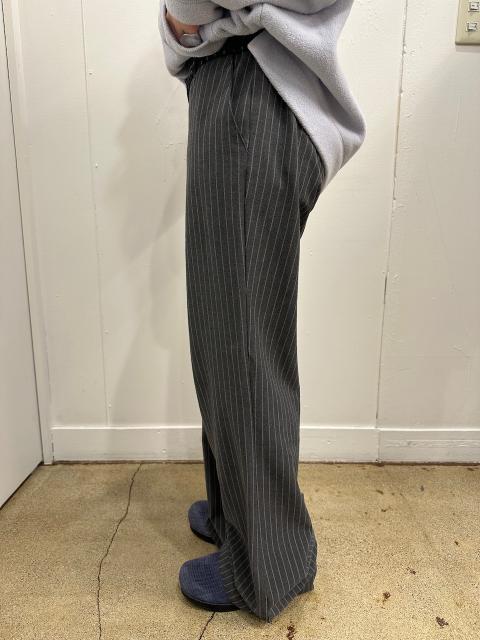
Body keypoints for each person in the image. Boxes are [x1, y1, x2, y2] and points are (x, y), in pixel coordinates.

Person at [158, 0, 366, 623]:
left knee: (244, 343)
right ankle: (236, 516)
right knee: (222, 329)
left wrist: (186, 17)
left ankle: (268, 564)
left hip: (257, 90)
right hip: (233, 82)